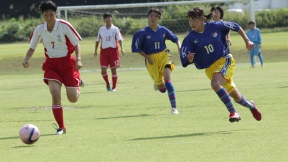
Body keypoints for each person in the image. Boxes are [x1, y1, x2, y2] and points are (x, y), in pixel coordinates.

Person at [180, 7, 262, 122]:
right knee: (237, 97)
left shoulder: (216, 26)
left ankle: (233, 112)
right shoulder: (190, 38)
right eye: (189, 20)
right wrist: (189, 59)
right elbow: (184, 59)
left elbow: (235, 26)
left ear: (202, 18)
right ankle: (251, 106)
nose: (191, 22)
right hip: (210, 70)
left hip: (225, 61)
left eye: (194, 19)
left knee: (214, 83)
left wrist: (247, 40)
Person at [22, 0, 84, 134]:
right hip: (51, 65)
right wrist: (26, 59)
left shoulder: (64, 25)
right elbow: (32, 47)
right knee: (55, 95)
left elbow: (76, 44)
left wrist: (78, 59)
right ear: (42, 15)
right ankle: (62, 127)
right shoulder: (39, 29)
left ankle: (78, 80)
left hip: (67, 63)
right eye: (46, 15)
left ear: (56, 13)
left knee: (72, 99)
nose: (49, 18)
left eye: (51, 14)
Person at [131, 8, 181, 114]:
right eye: (151, 16)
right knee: (162, 89)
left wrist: (180, 48)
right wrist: (147, 57)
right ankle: (158, 83)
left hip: (164, 56)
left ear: (159, 18)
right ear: (148, 18)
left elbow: (176, 39)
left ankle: (174, 108)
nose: (153, 18)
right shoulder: (143, 32)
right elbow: (137, 48)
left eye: (155, 16)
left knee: (168, 78)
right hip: (151, 60)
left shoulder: (163, 30)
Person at [94, 13, 125, 92]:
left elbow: (120, 39)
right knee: (103, 69)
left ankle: (114, 87)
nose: (107, 19)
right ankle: (107, 82)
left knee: (113, 69)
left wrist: (122, 48)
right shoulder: (101, 29)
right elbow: (97, 40)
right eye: (106, 18)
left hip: (113, 51)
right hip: (104, 51)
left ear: (112, 19)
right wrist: (95, 51)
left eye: (109, 18)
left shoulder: (115, 29)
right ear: (104, 20)